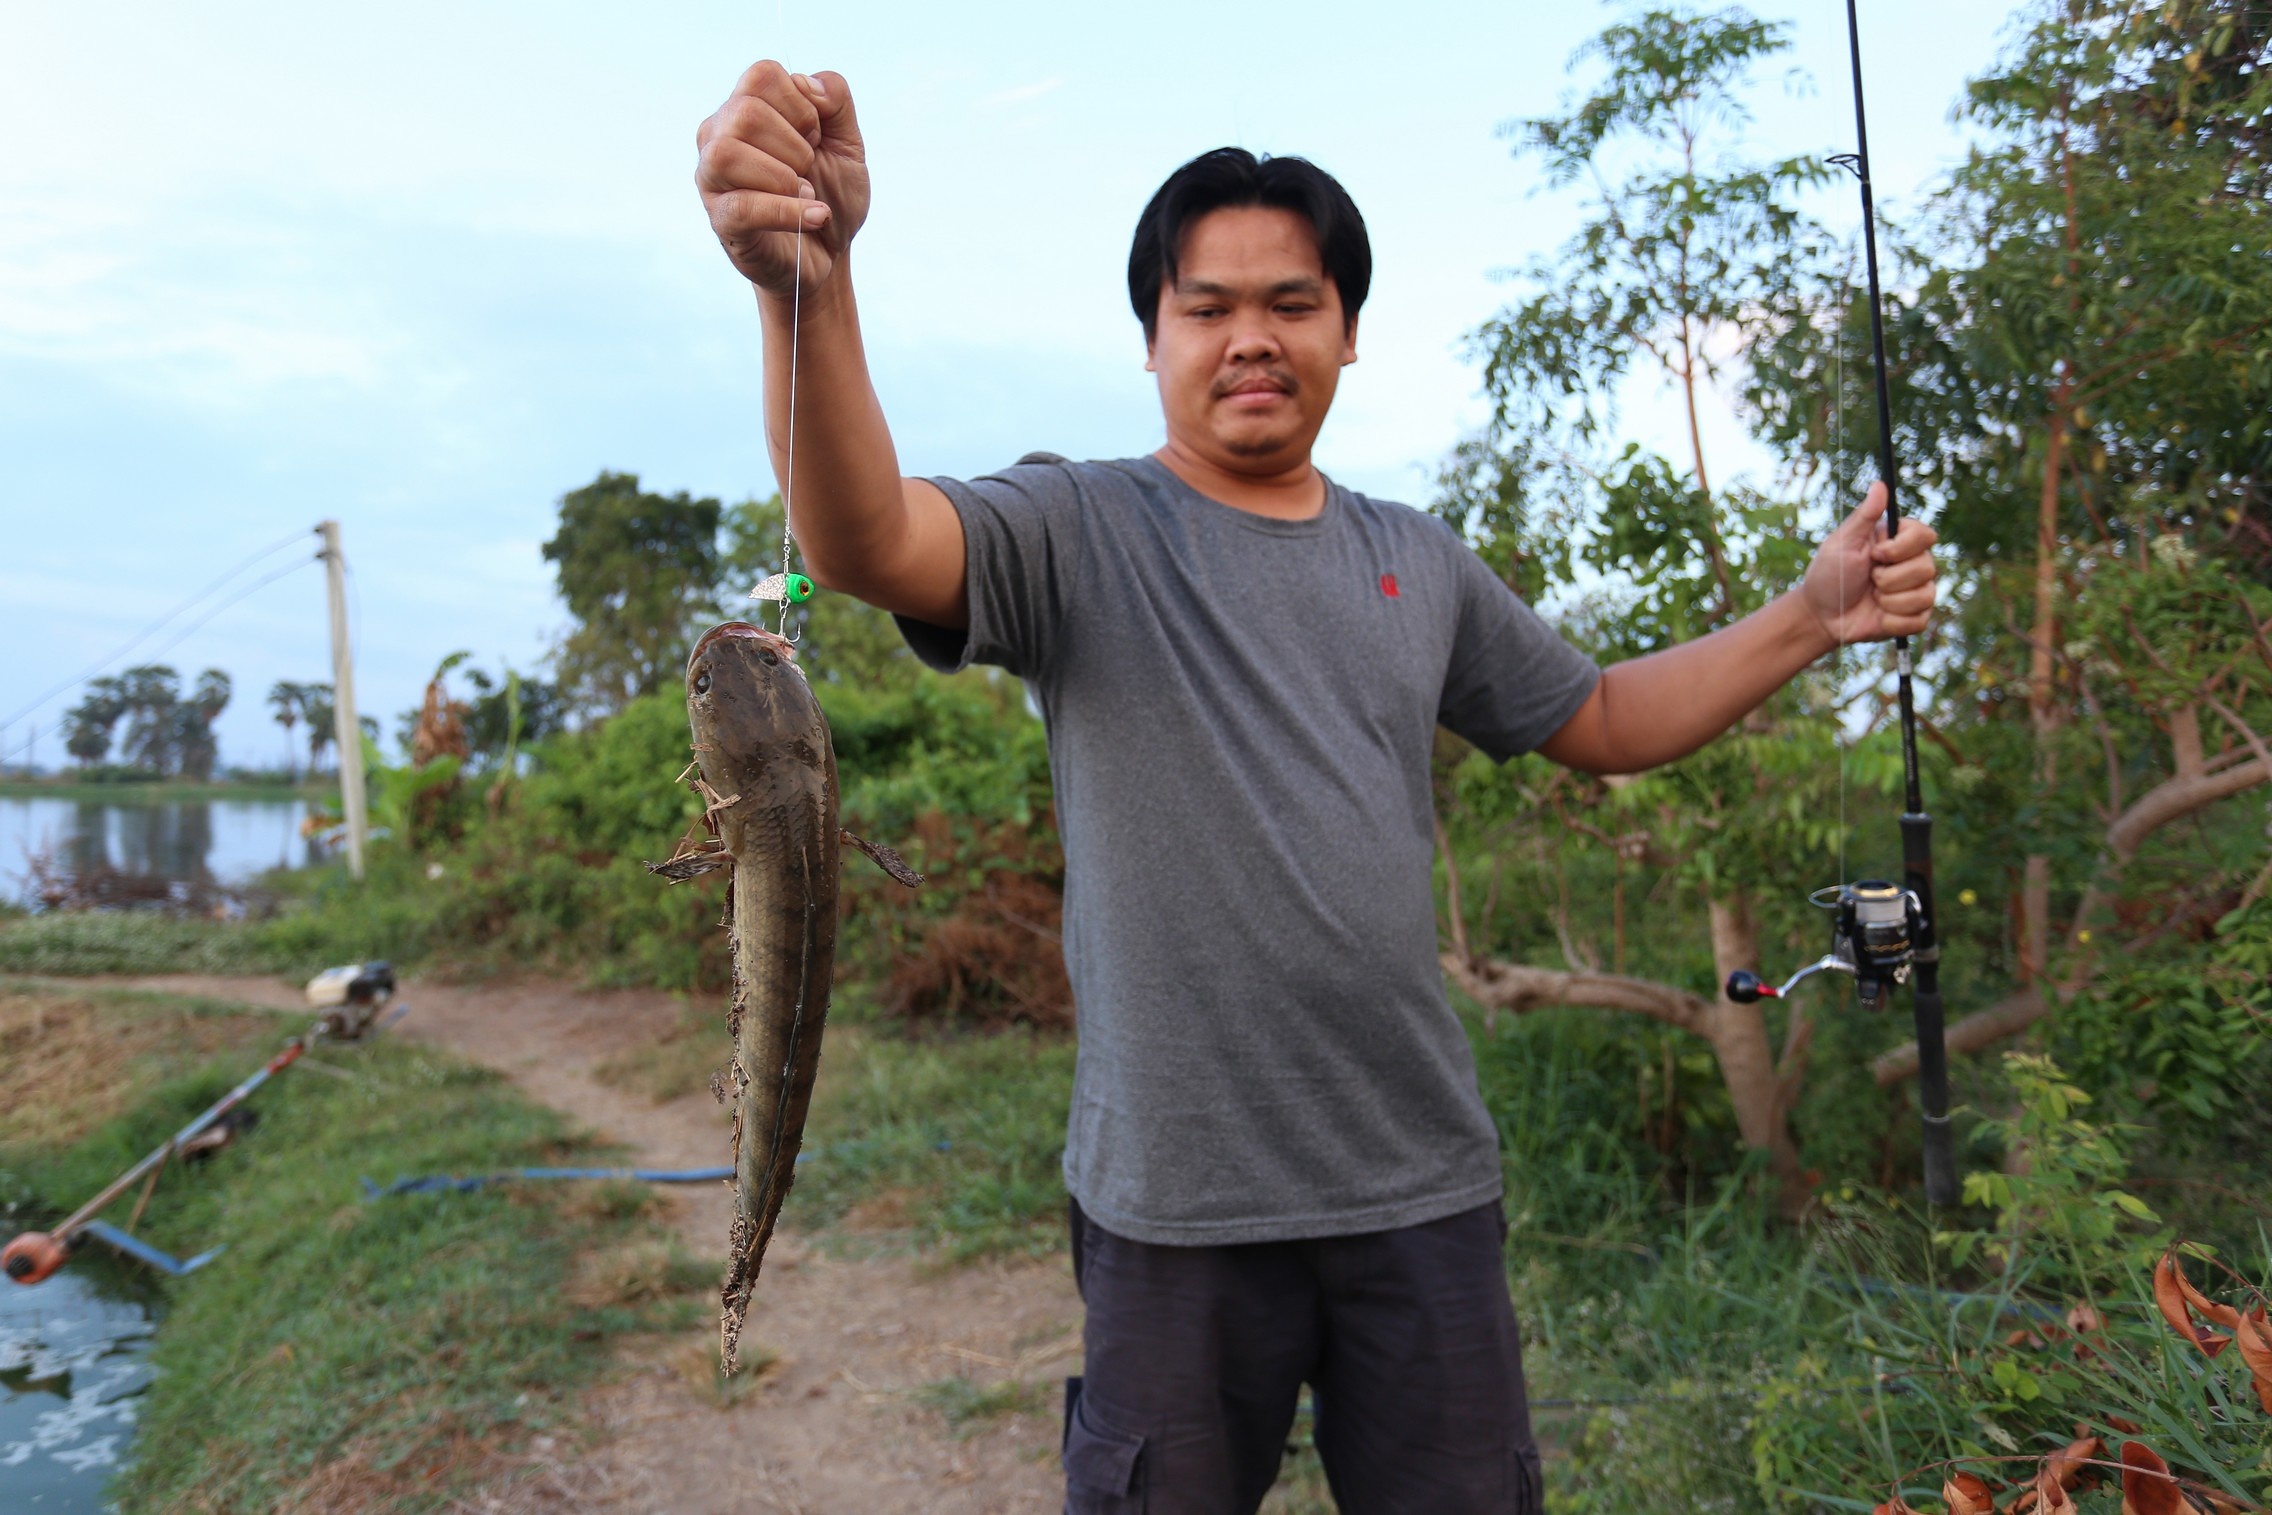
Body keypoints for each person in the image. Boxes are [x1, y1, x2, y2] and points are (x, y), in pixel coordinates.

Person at [694, 61, 1939, 1515]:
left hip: (1420, 1193)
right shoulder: (1078, 530)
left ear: (1348, 334)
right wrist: (810, 284)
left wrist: (1811, 613)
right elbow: (862, 540)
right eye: (1206, 306)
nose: (1250, 338)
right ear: (1150, 340)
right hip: (1174, 1209)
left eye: (1292, 302)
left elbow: (1598, 714)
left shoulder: (1416, 557)